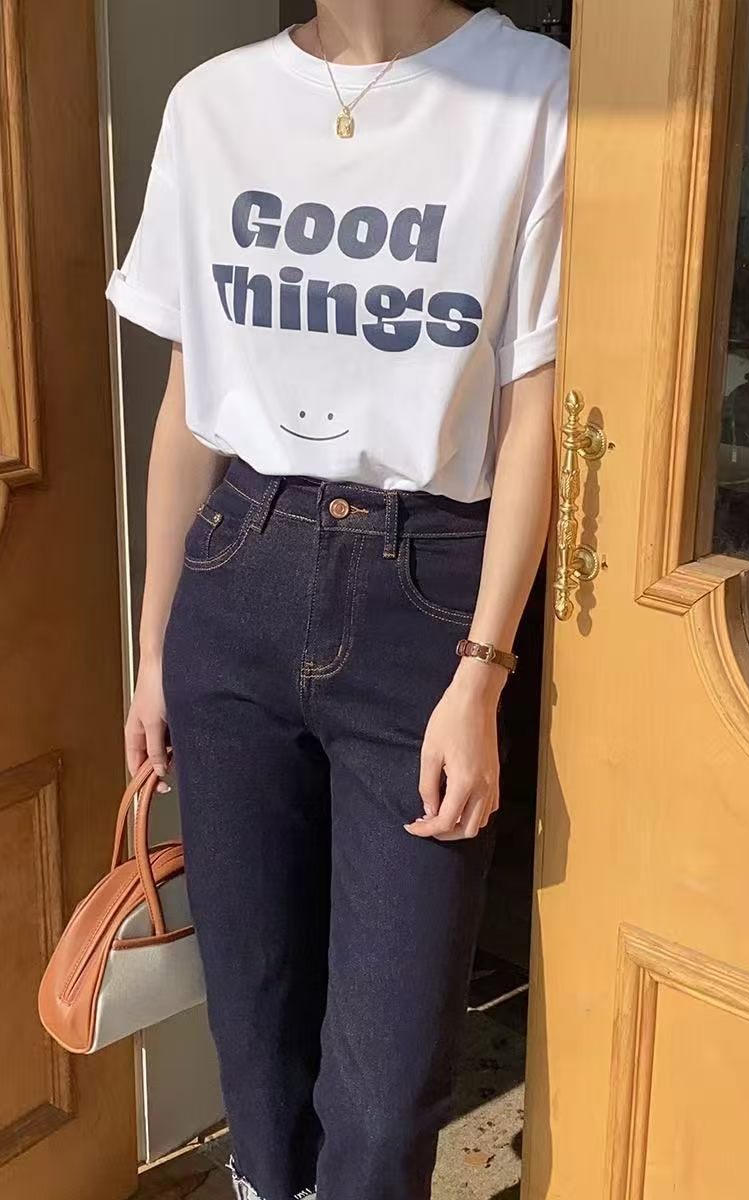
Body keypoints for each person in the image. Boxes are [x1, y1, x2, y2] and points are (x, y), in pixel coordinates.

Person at [106, 2, 568, 1197]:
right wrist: (152, 652)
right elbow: (186, 408)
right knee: (253, 1018)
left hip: (428, 592)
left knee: (389, 1069)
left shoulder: (532, 92)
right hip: (236, 569)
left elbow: (537, 412)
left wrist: (484, 668)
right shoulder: (214, 104)